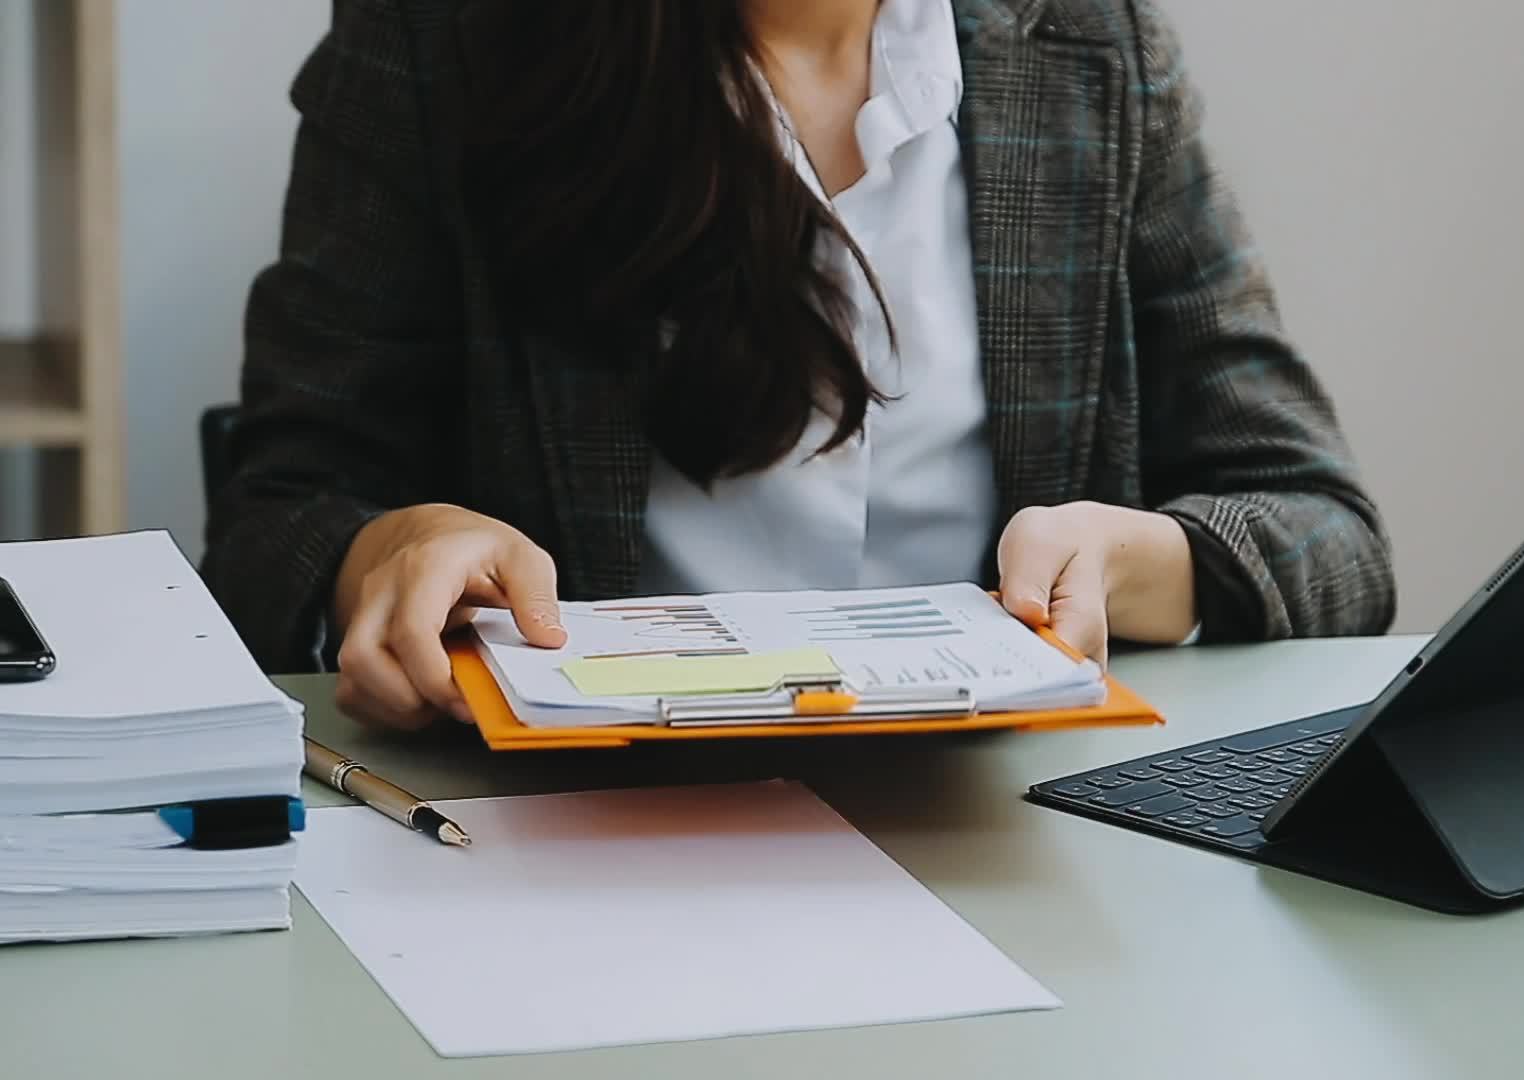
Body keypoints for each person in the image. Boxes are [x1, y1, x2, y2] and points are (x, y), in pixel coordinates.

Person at [201, 0, 1397, 730]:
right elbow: (272, 522)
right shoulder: (438, 40)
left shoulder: (1090, 44)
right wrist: (385, 555)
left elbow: (1325, 532)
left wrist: (1143, 563)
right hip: (570, 844)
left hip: (1005, 835)